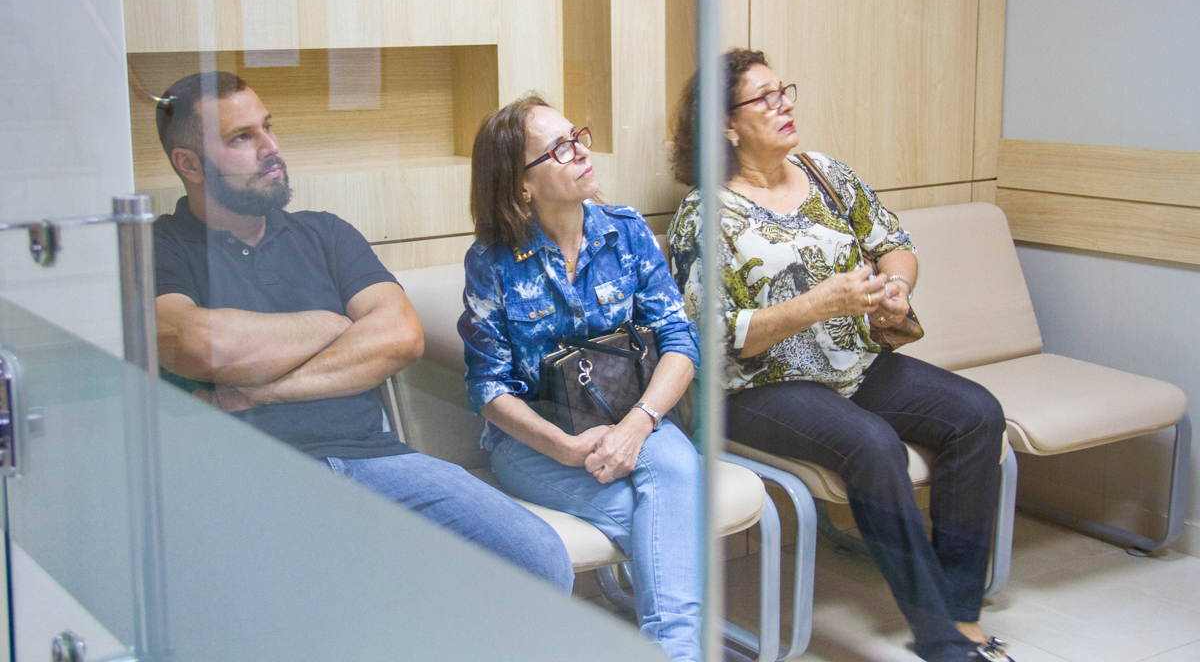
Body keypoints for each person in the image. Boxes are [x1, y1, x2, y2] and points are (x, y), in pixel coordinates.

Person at [151, 71, 574, 592]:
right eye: (242, 138)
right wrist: (332, 324)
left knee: (537, 558)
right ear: (189, 164)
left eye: (268, 127)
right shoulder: (159, 247)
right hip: (252, 475)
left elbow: (401, 336)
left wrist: (261, 388)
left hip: (372, 459)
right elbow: (201, 345)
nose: (271, 147)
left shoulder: (325, 234)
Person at [668, 50, 1012, 662]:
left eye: (785, 91)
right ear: (726, 124)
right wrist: (815, 304)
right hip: (758, 386)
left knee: (977, 414)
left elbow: (895, 243)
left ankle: (960, 610)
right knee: (872, 443)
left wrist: (896, 286)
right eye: (765, 98)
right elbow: (709, 337)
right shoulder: (704, 214)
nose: (785, 105)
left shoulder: (827, 174)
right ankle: (938, 634)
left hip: (854, 363)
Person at [458, 95, 704, 662]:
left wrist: (639, 424)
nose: (582, 152)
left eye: (578, 137)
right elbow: (487, 387)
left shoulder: (627, 231)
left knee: (675, 473)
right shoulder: (491, 261)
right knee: (668, 517)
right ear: (522, 185)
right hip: (536, 442)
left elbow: (680, 340)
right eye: (560, 149)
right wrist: (565, 449)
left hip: (634, 416)